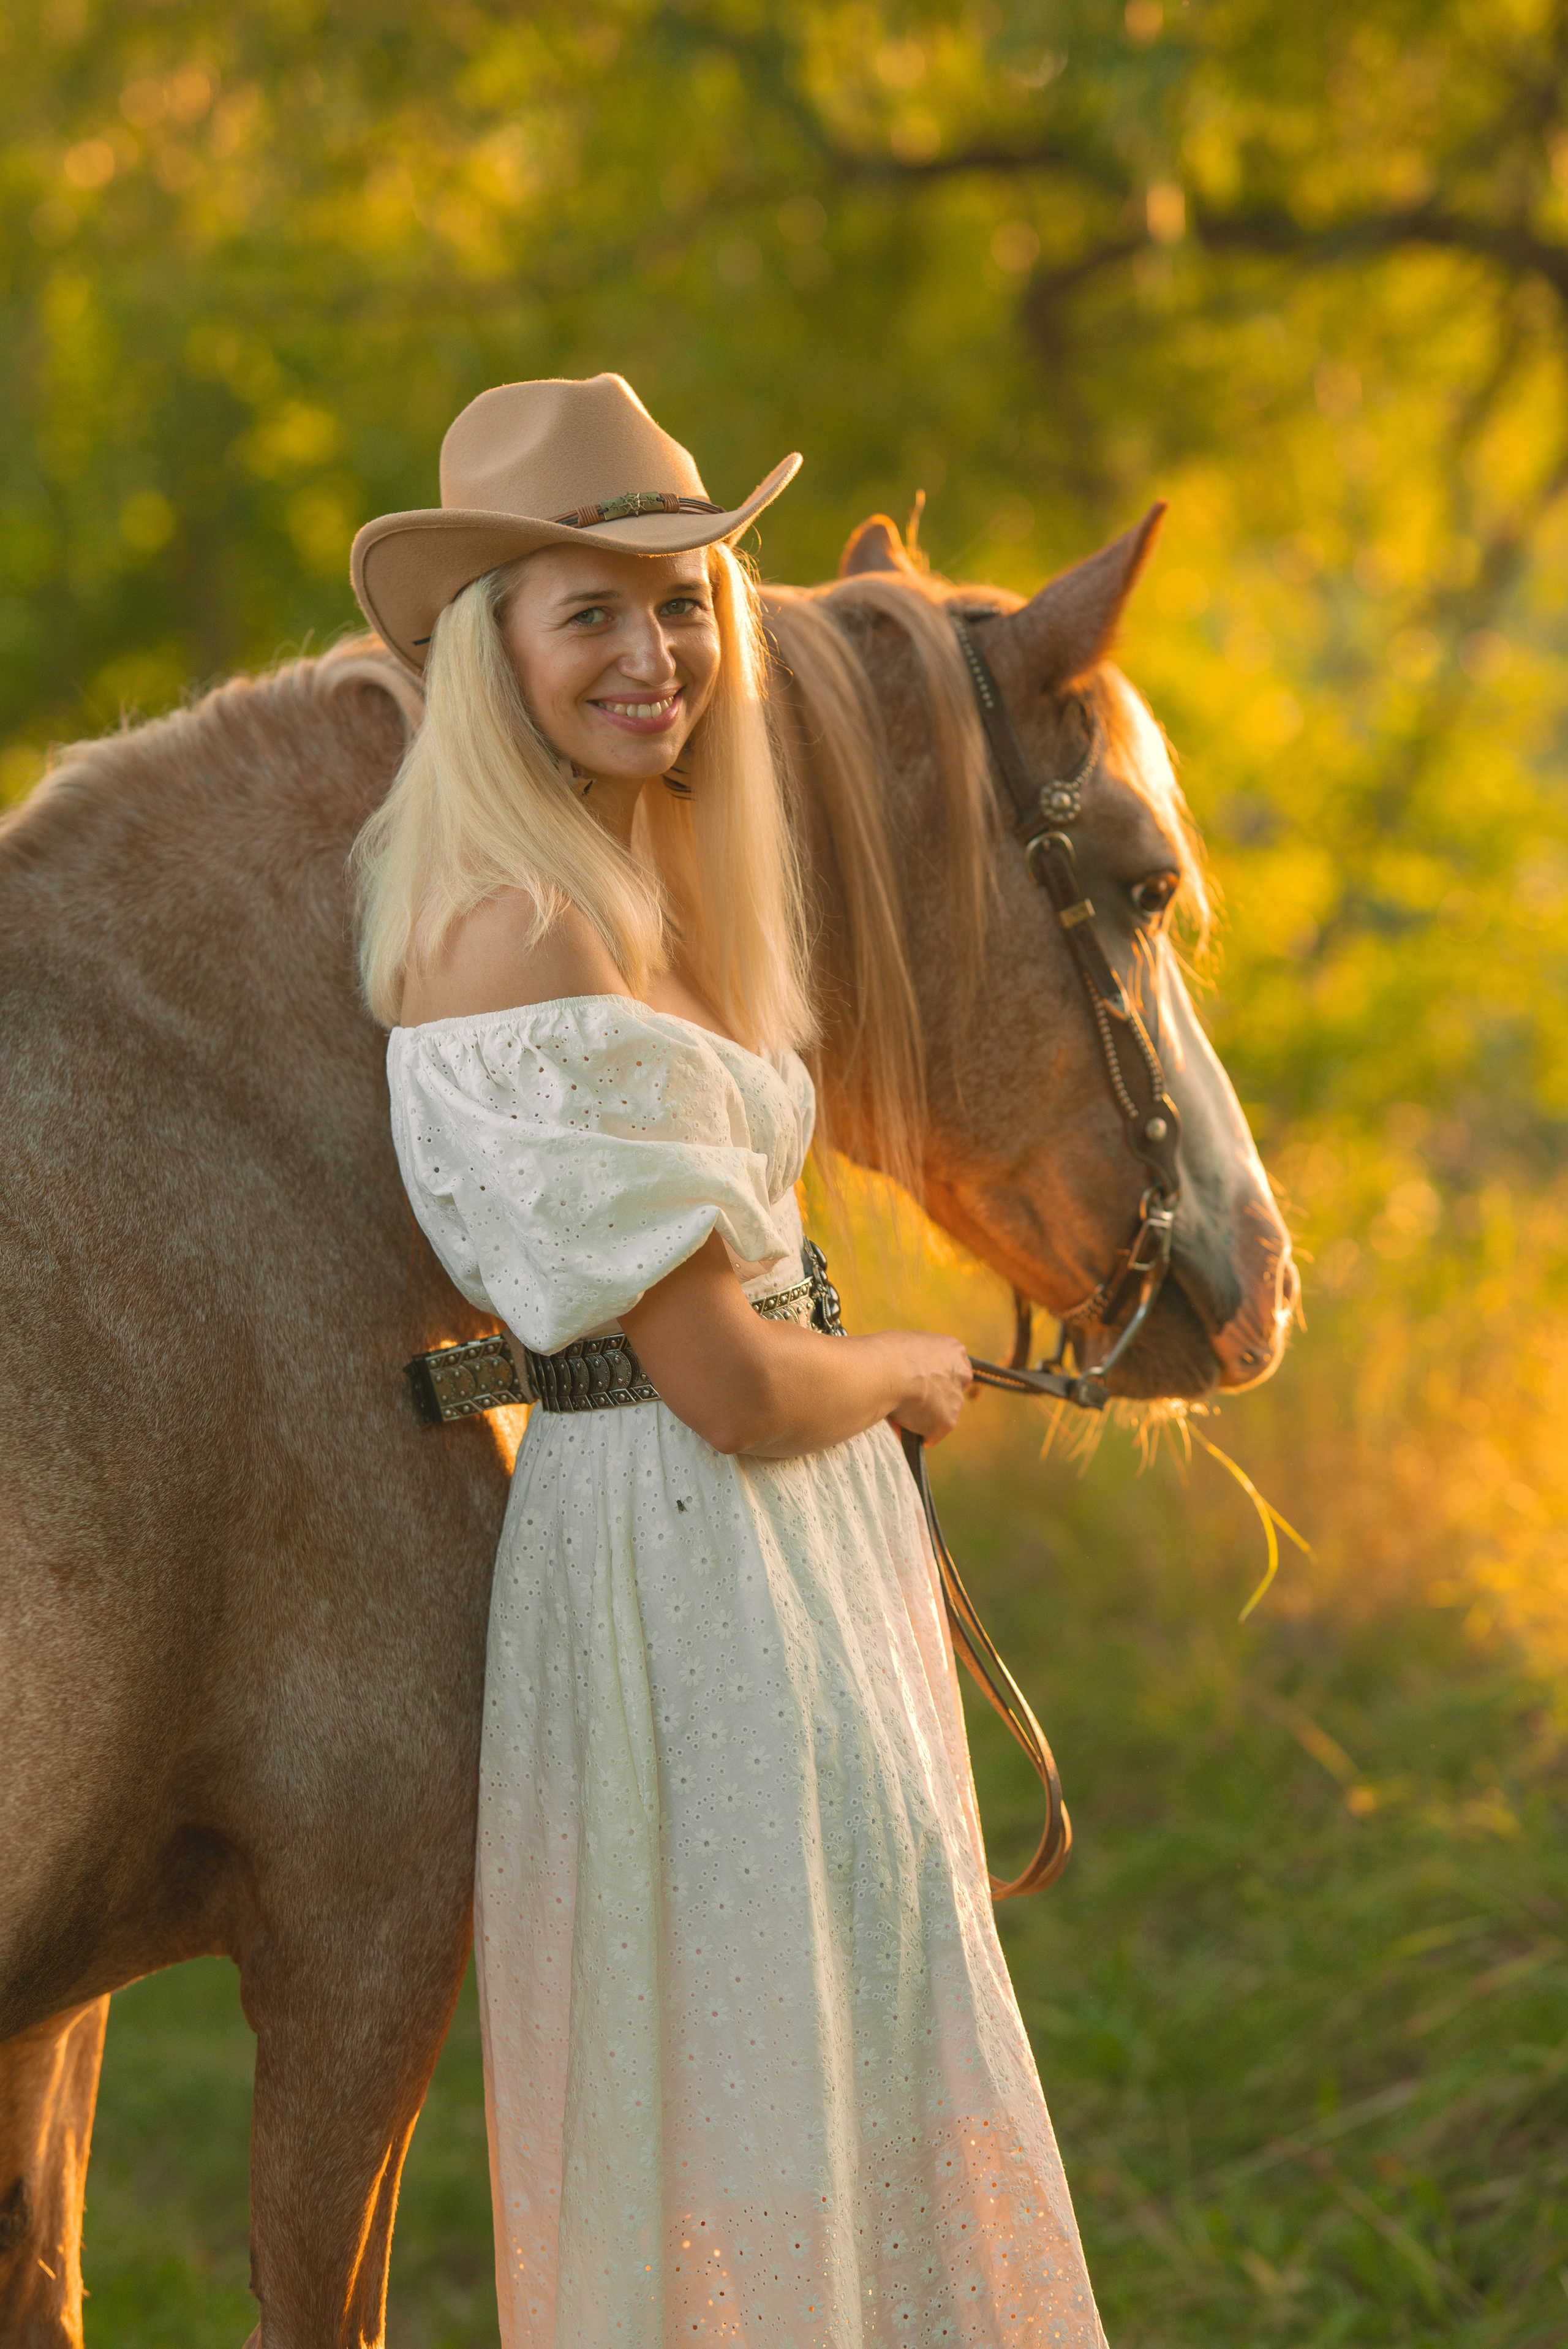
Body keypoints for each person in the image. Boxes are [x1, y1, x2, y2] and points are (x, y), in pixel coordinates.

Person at [349, 374, 1106, 2348]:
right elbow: (736, 1383)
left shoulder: (633, 891)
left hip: (765, 1558)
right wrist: (916, 1363)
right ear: (489, 646)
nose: (652, 649)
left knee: (845, 2047)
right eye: (583, 609)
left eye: (678, 599)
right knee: (754, 2084)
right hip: (697, 1552)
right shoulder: (525, 934)